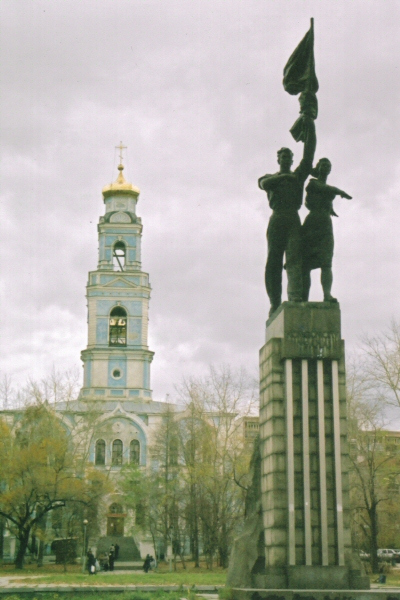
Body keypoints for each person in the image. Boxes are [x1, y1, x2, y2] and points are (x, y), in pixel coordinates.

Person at [259, 116, 316, 317]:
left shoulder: (298, 176)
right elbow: (263, 184)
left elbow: (308, 156)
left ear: (292, 160)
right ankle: (274, 302)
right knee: (273, 262)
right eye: (282, 157)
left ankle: (295, 297)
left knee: (294, 259)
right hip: (277, 219)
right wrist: (285, 177)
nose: (285, 159)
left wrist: (310, 127)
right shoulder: (270, 178)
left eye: (288, 157)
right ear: (278, 160)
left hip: (292, 218)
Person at [301, 158, 352, 302]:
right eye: (323, 165)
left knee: (326, 262)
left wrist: (330, 209)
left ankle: (327, 294)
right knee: (305, 264)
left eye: (328, 166)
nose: (326, 167)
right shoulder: (313, 183)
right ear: (318, 168)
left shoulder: (326, 187)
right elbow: (324, 189)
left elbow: (326, 196)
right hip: (312, 222)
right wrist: (340, 191)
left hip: (325, 224)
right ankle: (304, 298)